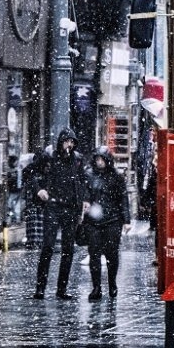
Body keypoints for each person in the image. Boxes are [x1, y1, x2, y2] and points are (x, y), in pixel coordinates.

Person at [33, 128, 89, 300]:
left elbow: (82, 181)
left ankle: (62, 288)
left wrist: (84, 200)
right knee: (48, 246)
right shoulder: (49, 156)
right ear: (61, 141)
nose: (69, 145)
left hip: (71, 207)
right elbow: (34, 173)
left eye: (72, 142)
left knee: (68, 249)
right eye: (67, 141)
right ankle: (40, 287)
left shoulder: (77, 160)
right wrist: (39, 190)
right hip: (54, 206)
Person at [82, 147, 131, 301]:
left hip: (112, 220)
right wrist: (85, 204)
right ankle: (96, 286)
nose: (100, 162)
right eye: (97, 159)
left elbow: (123, 199)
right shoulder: (89, 175)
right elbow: (85, 194)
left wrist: (126, 220)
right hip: (93, 221)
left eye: (102, 159)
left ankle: (112, 283)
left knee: (112, 254)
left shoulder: (116, 177)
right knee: (94, 254)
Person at [21, 148, 50, 249]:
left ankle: (36, 242)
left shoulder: (31, 170)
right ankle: (35, 243)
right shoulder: (30, 170)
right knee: (36, 222)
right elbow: (30, 181)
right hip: (34, 200)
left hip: (38, 201)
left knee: (36, 222)